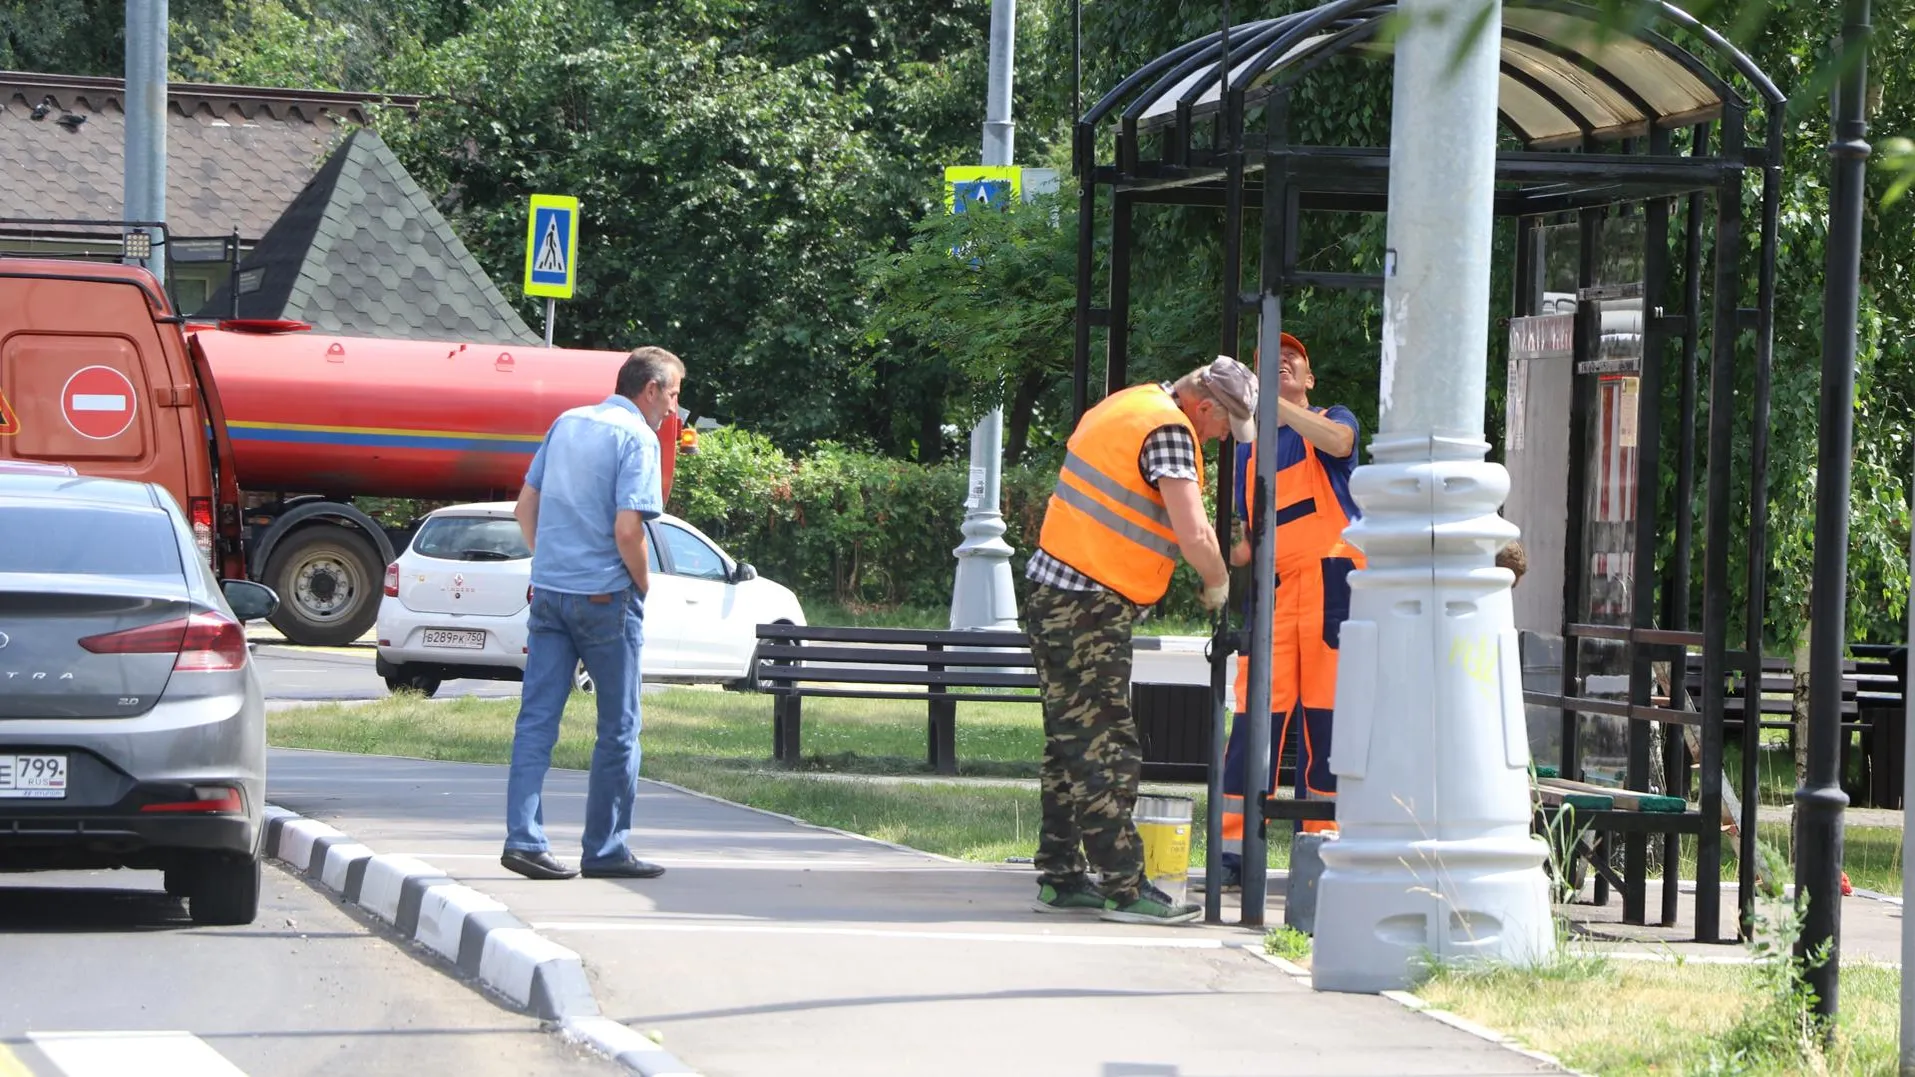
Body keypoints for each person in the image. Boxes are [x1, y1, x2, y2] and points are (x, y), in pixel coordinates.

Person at [1023, 356, 1256, 925]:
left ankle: (1061, 875)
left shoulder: (1130, 404)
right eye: (1224, 425)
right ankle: (1124, 887)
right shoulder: (1170, 430)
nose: (1222, 437)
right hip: (1086, 602)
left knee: (1071, 742)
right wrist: (1218, 581)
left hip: (1058, 592)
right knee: (1106, 743)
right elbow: (1193, 531)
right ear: (1205, 406)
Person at [500, 347, 684, 881]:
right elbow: (628, 530)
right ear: (650, 389)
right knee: (619, 727)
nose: (674, 408)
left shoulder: (567, 422)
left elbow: (524, 508)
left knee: (536, 720)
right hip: (606, 598)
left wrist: (549, 562)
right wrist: (643, 584)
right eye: (673, 395)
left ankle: (524, 839)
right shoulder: (637, 438)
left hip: (550, 594)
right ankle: (605, 849)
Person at [1217, 332, 1364, 888]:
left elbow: (1341, 444)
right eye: (1268, 362)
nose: (1281, 363)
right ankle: (1233, 853)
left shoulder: (1333, 419)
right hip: (1273, 592)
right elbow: (1246, 536)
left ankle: (1321, 850)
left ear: (1309, 378)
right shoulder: (1248, 450)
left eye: (1291, 359)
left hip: (1333, 587)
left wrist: (1275, 406)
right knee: (1255, 718)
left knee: (1329, 723)